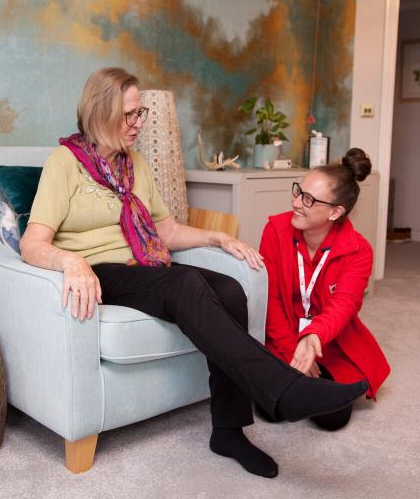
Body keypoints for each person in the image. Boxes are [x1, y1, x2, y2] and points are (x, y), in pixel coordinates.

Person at [20, 67, 368, 478]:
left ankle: (228, 431)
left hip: (143, 267)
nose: (137, 124)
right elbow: (32, 244)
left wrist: (216, 238)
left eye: (140, 114)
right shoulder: (65, 164)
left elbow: (165, 230)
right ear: (101, 113)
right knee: (185, 281)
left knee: (231, 290)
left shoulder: (135, 166)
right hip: (100, 272)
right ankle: (282, 389)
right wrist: (71, 262)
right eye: (129, 114)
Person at [258, 149, 390, 430]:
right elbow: (270, 300)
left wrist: (312, 339)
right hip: (283, 335)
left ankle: (306, 384)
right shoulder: (275, 230)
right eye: (298, 192)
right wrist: (293, 347)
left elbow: (344, 305)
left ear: (335, 211)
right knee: (272, 411)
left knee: (334, 418)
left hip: (329, 342)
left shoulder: (359, 250)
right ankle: (297, 383)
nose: (295, 202)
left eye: (308, 199)